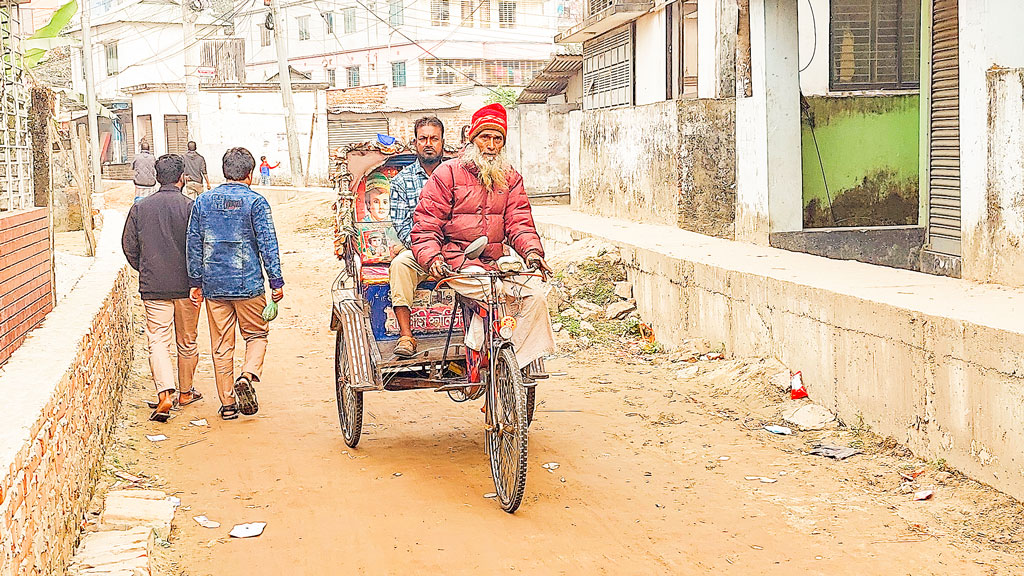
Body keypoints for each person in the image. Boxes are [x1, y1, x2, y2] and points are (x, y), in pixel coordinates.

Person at [411, 104, 555, 369]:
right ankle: (481, 354)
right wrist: (432, 258)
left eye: (497, 139)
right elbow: (426, 224)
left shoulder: (511, 178)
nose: (491, 145)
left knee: (536, 298)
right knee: (496, 292)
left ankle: (510, 368)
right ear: (472, 139)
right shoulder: (448, 173)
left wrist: (533, 253)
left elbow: (519, 222)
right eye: (485, 137)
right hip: (456, 262)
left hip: (496, 265)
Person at [186, 147, 285, 421]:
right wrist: (275, 281)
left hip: (214, 285)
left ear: (224, 171)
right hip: (248, 283)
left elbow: (193, 243)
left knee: (221, 345)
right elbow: (268, 244)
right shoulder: (256, 203)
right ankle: (247, 375)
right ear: (250, 175)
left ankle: (228, 404)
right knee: (256, 335)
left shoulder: (203, 202)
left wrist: (195, 281)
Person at [121, 154, 202, 422]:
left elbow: (129, 246)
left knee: (157, 339)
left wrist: (145, 268)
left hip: (154, 286)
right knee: (187, 341)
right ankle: (187, 391)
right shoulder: (192, 207)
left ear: (157, 177)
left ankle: (165, 394)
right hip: (187, 288)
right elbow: (201, 247)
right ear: (183, 177)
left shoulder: (140, 208)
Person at [387, 116, 445, 357]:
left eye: (434, 138)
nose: (428, 143)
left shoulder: (458, 174)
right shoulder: (402, 182)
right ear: (415, 143)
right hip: (419, 251)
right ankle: (406, 335)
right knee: (400, 264)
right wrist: (430, 257)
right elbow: (403, 227)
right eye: (423, 139)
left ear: (443, 142)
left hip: (456, 250)